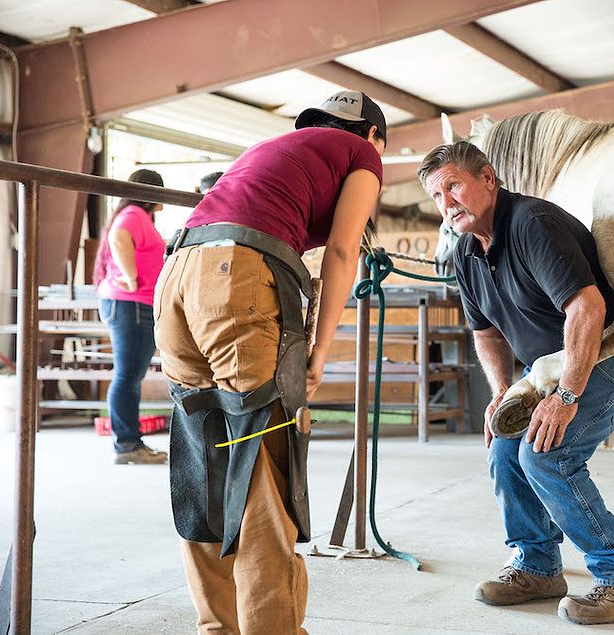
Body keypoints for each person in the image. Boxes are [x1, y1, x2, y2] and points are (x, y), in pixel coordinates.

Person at [154, 90, 386, 634]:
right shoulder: (363, 156)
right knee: (261, 458)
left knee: (204, 459)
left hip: (177, 277)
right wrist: (320, 348)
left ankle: (217, 625)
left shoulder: (275, 149)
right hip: (236, 275)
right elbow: (342, 252)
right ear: (372, 135)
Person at [418, 142, 614, 626]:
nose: (447, 203)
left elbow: (588, 309)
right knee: (506, 449)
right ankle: (538, 564)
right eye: (437, 196)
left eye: (453, 185)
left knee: (546, 455)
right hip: (542, 370)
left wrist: (566, 397)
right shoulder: (466, 252)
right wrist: (501, 392)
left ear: (488, 178)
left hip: (607, 357)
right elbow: (485, 333)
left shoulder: (532, 224)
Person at [93, 168, 168, 465]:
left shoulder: (138, 216)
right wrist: (132, 277)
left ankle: (128, 442)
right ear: (153, 193)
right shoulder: (134, 215)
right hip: (131, 303)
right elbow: (119, 237)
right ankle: (127, 444)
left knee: (129, 376)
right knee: (127, 376)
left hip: (131, 305)